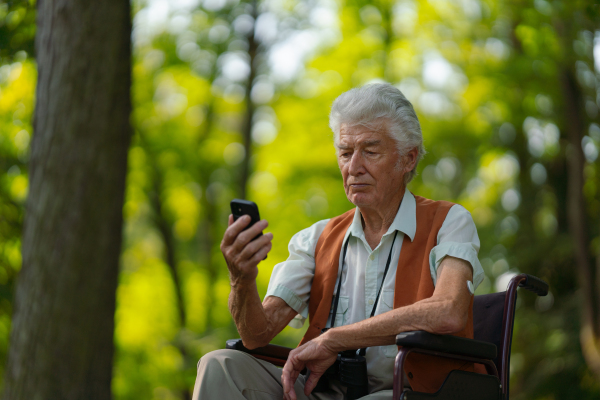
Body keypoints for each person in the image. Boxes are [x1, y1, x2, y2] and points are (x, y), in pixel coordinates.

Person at [192, 83, 485, 400]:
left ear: (409, 159)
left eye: (370, 152)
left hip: (411, 392)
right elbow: (255, 335)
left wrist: (334, 339)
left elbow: (449, 310)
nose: (354, 167)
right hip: (326, 390)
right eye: (345, 153)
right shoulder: (316, 238)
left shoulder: (449, 221)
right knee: (219, 363)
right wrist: (242, 278)